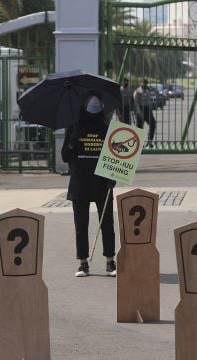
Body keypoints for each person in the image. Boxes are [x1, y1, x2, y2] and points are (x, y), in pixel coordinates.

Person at [62, 91, 117, 277]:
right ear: (83, 105)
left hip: (103, 183)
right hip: (80, 183)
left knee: (107, 224)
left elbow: (116, 157)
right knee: (81, 225)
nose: (94, 105)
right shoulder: (74, 128)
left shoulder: (107, 129)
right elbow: (64, 156)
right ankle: (83, 263)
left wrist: (114, 176)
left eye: (97, 102)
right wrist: (71, 143)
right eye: (90, 102)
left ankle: (110, 261)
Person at [133, 78, 156, 146]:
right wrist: (139, 112)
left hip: (148, 110)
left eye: (145, 83)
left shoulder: (148, 90)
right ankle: (139, 144)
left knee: (153, 124)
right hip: (140, 110)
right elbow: (136, 102)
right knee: (139, 127)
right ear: (140, 83)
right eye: (143, 83)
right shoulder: (137, 91)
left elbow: (149, 100)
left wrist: (151, 107)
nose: (144, 84)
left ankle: (150, 141)